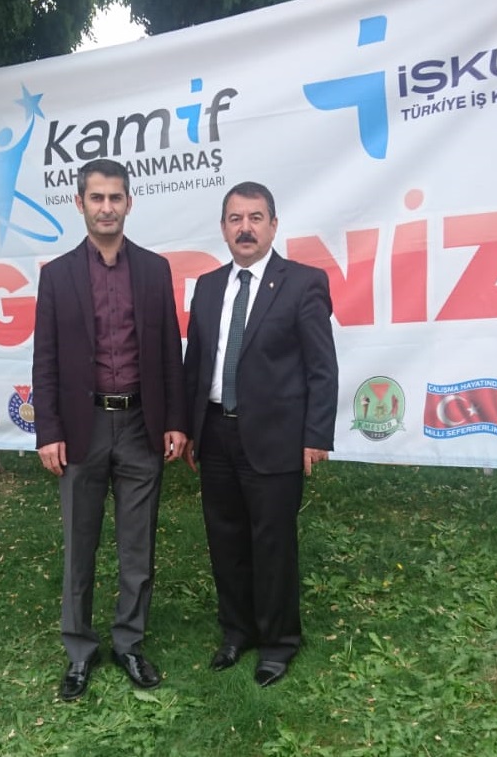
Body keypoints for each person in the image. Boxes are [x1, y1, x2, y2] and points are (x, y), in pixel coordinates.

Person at [31, 158, 188, 701]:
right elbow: (45, 361)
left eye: (115, 198)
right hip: (83, 428)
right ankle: (79, 650)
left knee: (137, 547)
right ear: (79, 203)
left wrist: (174, 420)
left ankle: (129, 642)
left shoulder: (154, 270)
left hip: (142, 425)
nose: (106, 208)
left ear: (129, 203)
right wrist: (48, 431)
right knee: (80, 546)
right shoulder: (57, 276)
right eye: (96, 198)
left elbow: (169, 350)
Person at [183, 181, 338, 687]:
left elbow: (322, 367)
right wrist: (188, 428)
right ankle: (237, 630)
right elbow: (195, 364)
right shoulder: (208, 287)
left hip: (275, 437)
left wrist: (316, 435)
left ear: (273, 225)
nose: (245, 228)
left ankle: (278, 642)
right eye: (235, 219)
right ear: (223, 228)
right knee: (224, 538)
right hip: (215, 434)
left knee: (272, 543)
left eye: (255, 218)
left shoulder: (303, 283)